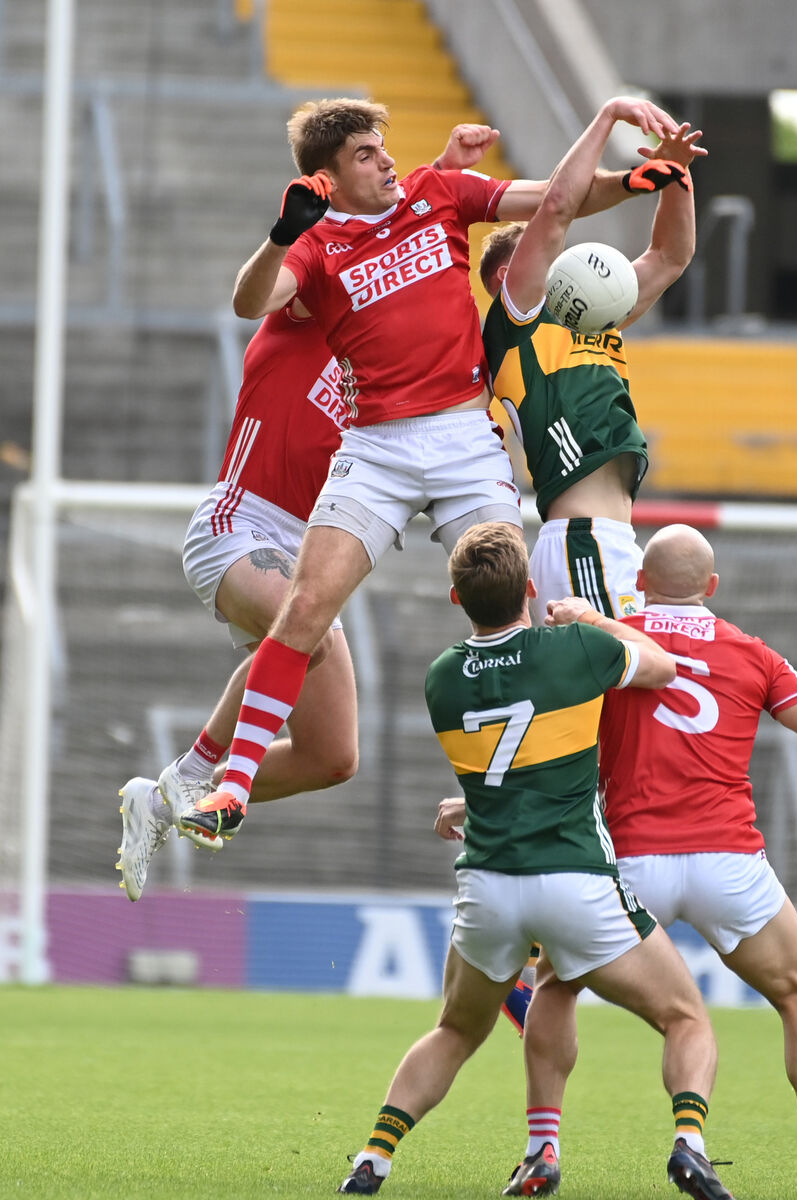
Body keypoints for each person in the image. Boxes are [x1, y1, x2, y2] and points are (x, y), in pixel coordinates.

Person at [178, 94, 688, 848]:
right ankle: (231, 787)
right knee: (307, 606)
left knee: (511, 611)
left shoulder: (433, 191)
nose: (387, 161)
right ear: (328, 177)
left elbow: (553, 201)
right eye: (366, 154)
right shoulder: (315, 246)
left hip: (461, 440)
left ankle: (526, 808)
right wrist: (281, 236)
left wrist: (637, 179)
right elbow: (251, 299)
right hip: (375, 445)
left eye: (385, 148)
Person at [437, 523, 797, 1200]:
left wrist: (470, 808)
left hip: (630, 861)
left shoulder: (608, 641)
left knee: (555, 988)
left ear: (638, 582)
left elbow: (541, 756)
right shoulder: (753, 655)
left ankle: (543, 1149)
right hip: (728, 862)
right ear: (712, 587)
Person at [113, 123, 504, 902]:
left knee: (333, 756)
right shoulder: (316, 281)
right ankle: (196, 772)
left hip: (319, 537)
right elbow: (253, 295)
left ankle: (162, 799)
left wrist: (446, 174)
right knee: (311, 623)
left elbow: (418, 224)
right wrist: (284, 234)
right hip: (241, 526)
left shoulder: (407, 341)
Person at [337, 523, 735, 1200]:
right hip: (575, 877)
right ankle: (690, 1144)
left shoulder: (440, 678)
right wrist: (595, 619)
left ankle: (376, 1156)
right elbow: (664, 667)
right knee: (685, 1017)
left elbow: (504, 762)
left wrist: (462, 808)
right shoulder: (574, 647)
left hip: (488, 886)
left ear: (456, 598)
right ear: (529, 589)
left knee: (457, 1030)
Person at [479, 102, 703, 618]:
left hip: (608, 539)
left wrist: (678, 177)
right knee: (625, 682)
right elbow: (555, 209)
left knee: (629, 689)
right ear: (506, 276)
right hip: (581, 540)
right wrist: (608, 117)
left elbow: (671, 255)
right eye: (544, 258)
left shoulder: (591, 318)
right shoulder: (517, 322)